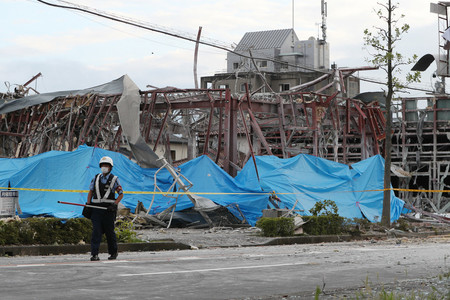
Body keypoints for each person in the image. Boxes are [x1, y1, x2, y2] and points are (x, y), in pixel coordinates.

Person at [86, 156, 124, 261]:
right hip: (96, 209)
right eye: (103, 165)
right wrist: (88, 204)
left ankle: (113, 253)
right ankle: (94, 254)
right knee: (96, 232)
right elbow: (90, 192)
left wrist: (115, 204)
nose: (104, 167)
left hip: (108, 210)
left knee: (109, 232)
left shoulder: (115, 179)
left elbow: (121, 194)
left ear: (110, 167)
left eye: (106, 166)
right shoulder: (95, 178)